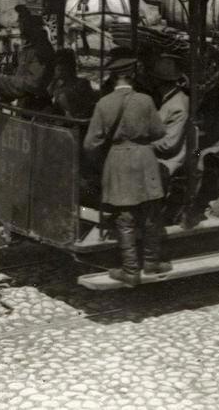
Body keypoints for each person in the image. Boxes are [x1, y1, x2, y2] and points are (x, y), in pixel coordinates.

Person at [82, 50, 169, 285]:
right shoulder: (145, 100)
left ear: (114, 76)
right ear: (132, 74)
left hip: (118, 161)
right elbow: (159, 132)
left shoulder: (103, 103)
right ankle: (151, 263)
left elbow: (90, 143)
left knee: (125, 217)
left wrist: (102, 161)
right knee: (151, 213)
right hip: (145, 159)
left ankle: (130, 270)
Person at [0, 5, 55, 109]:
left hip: (37, 108)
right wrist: (4, 96)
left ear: (31, 24)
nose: (19, 24)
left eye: (21, 21)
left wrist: (0, 81)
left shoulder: (41, 49)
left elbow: (32, 84)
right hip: (26, 105)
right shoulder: (29, 46)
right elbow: (20, 79)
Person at [148, 56, 189, 177]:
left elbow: (168, 145)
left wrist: (142, 143)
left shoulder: (177, 105)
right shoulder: (167, 99)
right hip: (161, 155)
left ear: (158, 81)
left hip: (169, 161)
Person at [49, 48, 98, 118]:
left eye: (60, 69)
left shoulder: (82, 83)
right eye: (56, 69)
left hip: (77, 119)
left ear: (68, 70)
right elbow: (49, 93)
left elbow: (88, 105)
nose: (56, 72)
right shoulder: (58, 84)